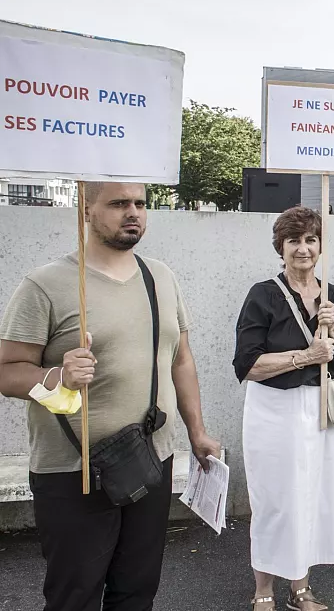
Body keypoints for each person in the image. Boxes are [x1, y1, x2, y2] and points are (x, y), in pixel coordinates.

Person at [0, 181, 221, 611]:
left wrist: (197, 432)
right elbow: (7, 371)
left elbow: (181, 361)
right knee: (74, 597)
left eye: (140, 203)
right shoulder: (46, 284)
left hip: (149, 459)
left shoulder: (161, 276)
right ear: (85, 208)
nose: (133, 212)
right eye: (118, 203)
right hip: (74, 469)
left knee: (137, 592)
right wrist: (56, 375)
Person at [233, 206, 334, 611]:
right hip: (273, 410)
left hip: (321, 413)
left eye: (310, 239)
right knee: (275, 498)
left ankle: (301, 588)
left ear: (321, 245)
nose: (303, 249)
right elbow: (247, 366)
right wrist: (306, 356)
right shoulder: (263, 294)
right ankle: (263, 588)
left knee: (313, 497)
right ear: (281, 247)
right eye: (294, 241)